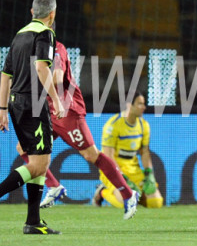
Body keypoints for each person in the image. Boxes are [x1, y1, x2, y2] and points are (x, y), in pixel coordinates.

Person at [16, 39, 140, 217]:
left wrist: (33, 80)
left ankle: (128, 194)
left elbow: (58, 77)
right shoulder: (32, 49)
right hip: (48, 111)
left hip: (66, 110)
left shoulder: (55, 48)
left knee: (91, 154)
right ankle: (54, 186)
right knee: (24, 147)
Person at [0, 0, 63, 234]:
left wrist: (2, 109)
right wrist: (56, 100)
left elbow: (5, 75)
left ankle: (33, 222)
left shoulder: (19, 35)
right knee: (40, 163)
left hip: (16, 103)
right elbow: (41, 67)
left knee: (38, 161)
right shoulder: (45, 33)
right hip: (33, 103)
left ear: (32, 11)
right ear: (52, 14)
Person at [92, 92, 162, 209]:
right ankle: (102, 191)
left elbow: (145, 152)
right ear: (129, 105)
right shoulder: (113, 125)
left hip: (133, 171)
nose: (144, 107)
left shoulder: (144, 125)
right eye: (140, 104)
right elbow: (108, 156)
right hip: (113, 171)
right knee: (125, 203)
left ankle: (134, 196)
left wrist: (149, 173)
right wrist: (122, 177)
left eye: (144, 104)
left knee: (156, 202)